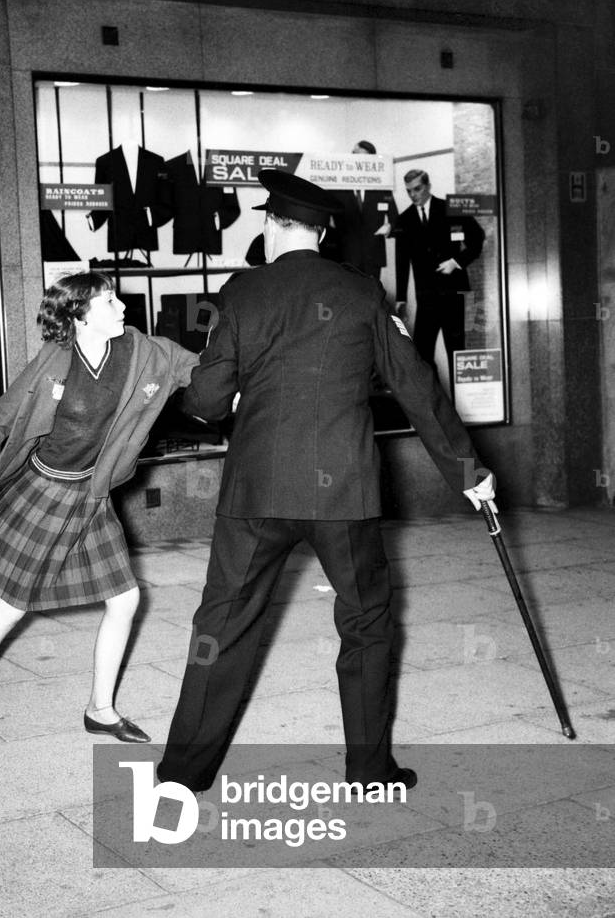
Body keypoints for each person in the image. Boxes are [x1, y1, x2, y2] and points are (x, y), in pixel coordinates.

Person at [157, 169, 496, 793]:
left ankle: (182, 775)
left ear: (272, 223)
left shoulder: (241, 292)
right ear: (320, 232)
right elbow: (417, 387)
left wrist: (220, 399)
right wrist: (468, 473)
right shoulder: (366, 294)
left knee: (221, 627)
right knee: (365, 623)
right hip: (343, 492)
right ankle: (368, 772)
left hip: (255, 492)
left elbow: (204, 401)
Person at [0, 272, 198, 756]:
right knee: (13, 606)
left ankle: (100, 710)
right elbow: (1, 416)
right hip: (45, 491)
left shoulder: (143, 351)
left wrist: (247, 388)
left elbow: (199, 371)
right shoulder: (55, 361)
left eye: (117, 297)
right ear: (78, 316)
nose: (122, 307)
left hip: (92, 495)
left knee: (124, 600)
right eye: (108, 301)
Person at [393, 169, 485, 368]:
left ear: (428, 186)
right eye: (409, 191)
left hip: (454, 294)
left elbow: (477, 238)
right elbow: (401, 261)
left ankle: (459, 399)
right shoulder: (405, 219)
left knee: (457, 353)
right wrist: (401, 297)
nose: (413, 195)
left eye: (417, 189)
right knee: (422, 355)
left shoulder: (450, 209)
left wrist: (456, 262)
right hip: (426, 297)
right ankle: (435, 399)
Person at [329, 140, 398, 280]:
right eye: (354, 155)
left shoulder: (382, 189)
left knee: (372, 297)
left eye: (362, 157)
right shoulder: (337, 188)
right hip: (345, 257)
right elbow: (326, 219)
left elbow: (395, 218)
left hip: (373, 256)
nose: (357, 160)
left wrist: (389, 226)